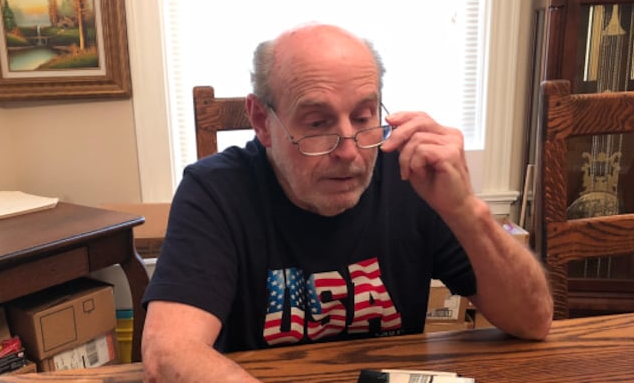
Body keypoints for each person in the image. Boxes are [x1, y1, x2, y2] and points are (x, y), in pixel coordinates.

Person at [141, 23, 553, 382]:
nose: (350, 151)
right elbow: (168, 355)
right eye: (318, 124)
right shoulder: (214, 192)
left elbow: (533, 321)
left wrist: (466, 209)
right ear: (263, 122)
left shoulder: (411, 174)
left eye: (363, 117)